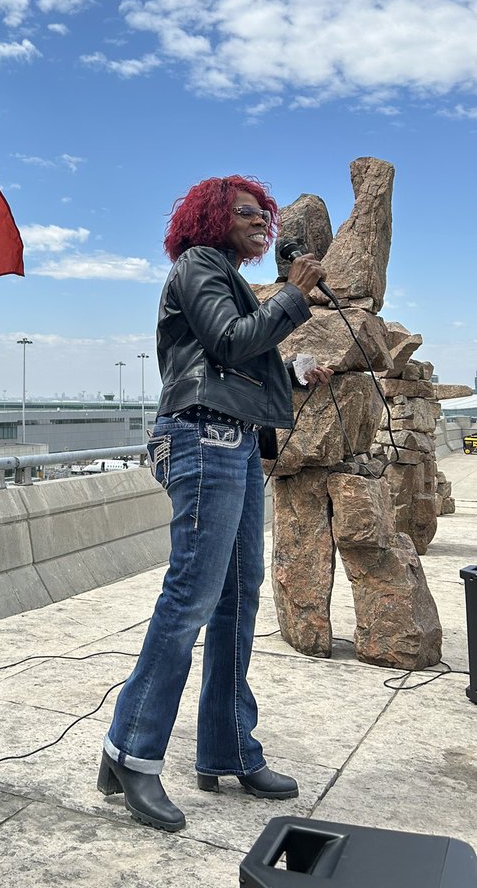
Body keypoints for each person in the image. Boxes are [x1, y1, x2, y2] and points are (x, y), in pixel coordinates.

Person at [97, 175, 332, 832]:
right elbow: (229, 342)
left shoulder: (227, 276)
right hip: (201, 441)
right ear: (210, 219)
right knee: (190, 601)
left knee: (236, 600)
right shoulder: (199, 265)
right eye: (246, 211)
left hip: (233, 444)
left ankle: (228, 748)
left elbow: (239, 366)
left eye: (265, 211)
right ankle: (131, 753)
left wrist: (295, 371)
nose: (262, 219)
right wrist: (292, 295)